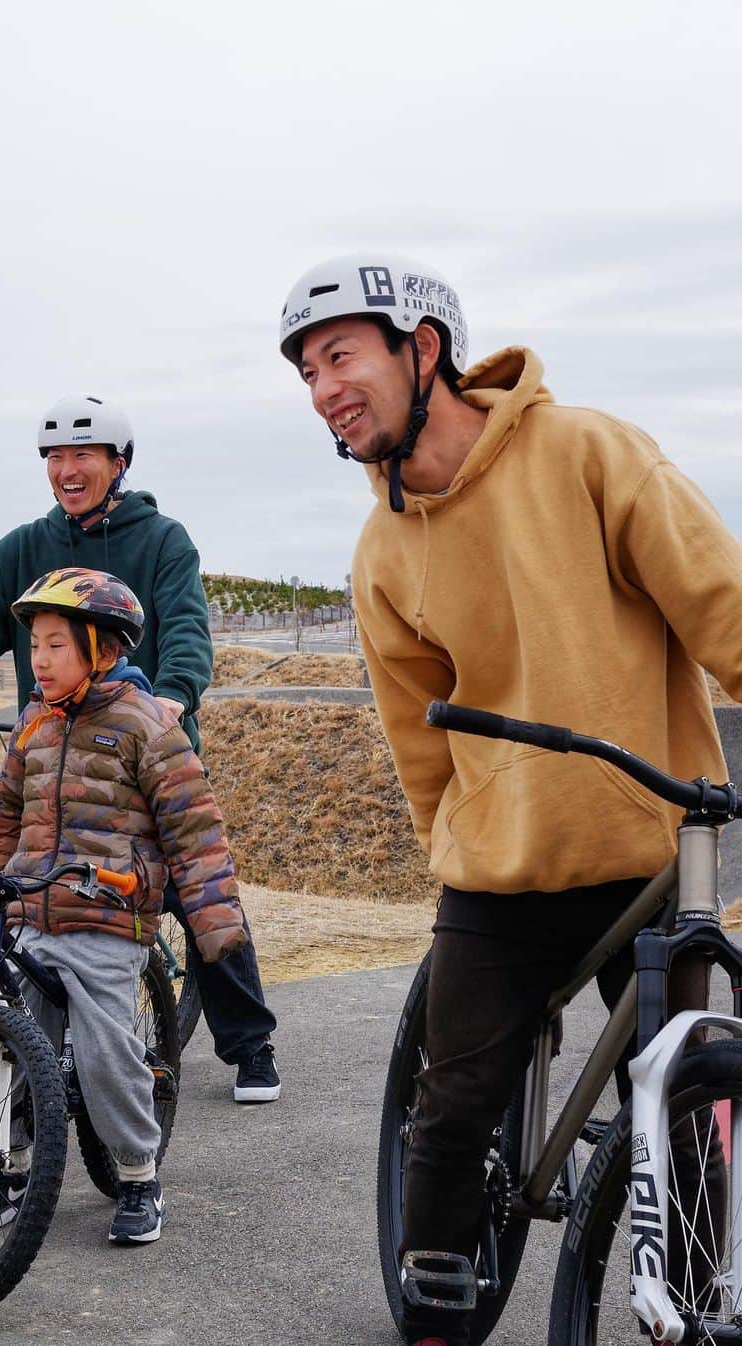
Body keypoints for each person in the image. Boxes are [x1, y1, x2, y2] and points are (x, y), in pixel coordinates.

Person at [278, 253, 742, 1346]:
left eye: (339, 353)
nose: (321, 387)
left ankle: (707, 1299)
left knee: (682, 1111)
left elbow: (720, 599)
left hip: (654, 843)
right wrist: (449, 841)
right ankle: (438, 1296)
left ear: (421, 348)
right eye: (304, 369)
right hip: (503, 863)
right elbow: (415, 737)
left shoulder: (586, 451)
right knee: (452, 1105)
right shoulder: (382, 550)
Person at [0, 394, 279, 1103]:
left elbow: (186, 629)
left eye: (83, 456)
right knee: (8, 884)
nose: (67, 469)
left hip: (140, 753)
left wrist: (174, 695)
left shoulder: (162, 542)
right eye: (55, 457)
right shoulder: (27, 548)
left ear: (118, 463)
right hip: (51, 756)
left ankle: (249, 1046)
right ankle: (5, 1064)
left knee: (195, 890)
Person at [0, 568, 248, 1243]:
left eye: (57, 645)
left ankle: (139, 1174)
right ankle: (11, 1167)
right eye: (35, 646)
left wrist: (216, 926)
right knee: (0, 1039)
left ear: (104, 651)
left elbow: (195, 834)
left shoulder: (146, 726)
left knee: (105, 1052)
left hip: (109, 924)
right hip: (31, 916)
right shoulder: (34, 727)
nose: (41, 659)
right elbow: (2, 820)